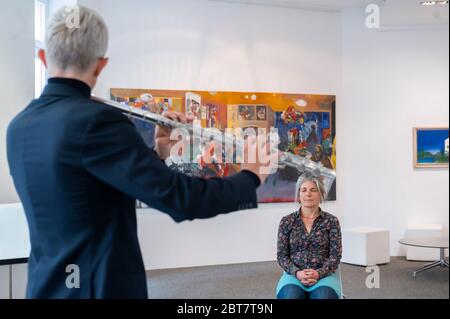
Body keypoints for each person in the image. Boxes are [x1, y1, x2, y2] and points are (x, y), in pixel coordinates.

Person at [6, 5, 276, 299]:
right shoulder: (98, 120)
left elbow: (88, 185)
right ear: (101, 65)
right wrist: (249, 176)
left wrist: (157, 153)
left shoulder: (18, 127)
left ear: (43, 58)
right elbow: (181, 199)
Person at [276, 173, 342, 299]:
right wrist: (297, 272)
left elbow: (335, 256)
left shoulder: (332, 221)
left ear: (321, 194)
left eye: (313, 190)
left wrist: (318, 273)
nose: (308, 194)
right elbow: (281, 256)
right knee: (291, 296)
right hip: (293, 276)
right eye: (304, 190)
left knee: (324, 297)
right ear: (299, 195)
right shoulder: (287, 221)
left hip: (323, 276)